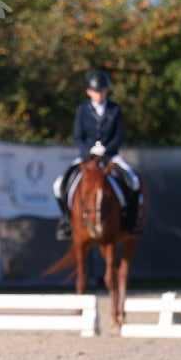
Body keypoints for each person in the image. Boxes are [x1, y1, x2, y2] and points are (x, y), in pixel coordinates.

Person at [52, 70, 142, 240]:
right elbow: (78, 136)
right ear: (89, 92)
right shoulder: (82, 110)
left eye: (102, 90)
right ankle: (65, 220)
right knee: (58, 185)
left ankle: (130, 221)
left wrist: (106, 150)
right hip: (87, 157)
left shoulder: (115, 109)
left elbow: (118, 135)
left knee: (134, 181)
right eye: (96, 91)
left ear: (107, 90)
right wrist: (89, 151)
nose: (99, 94)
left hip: (110, 156)